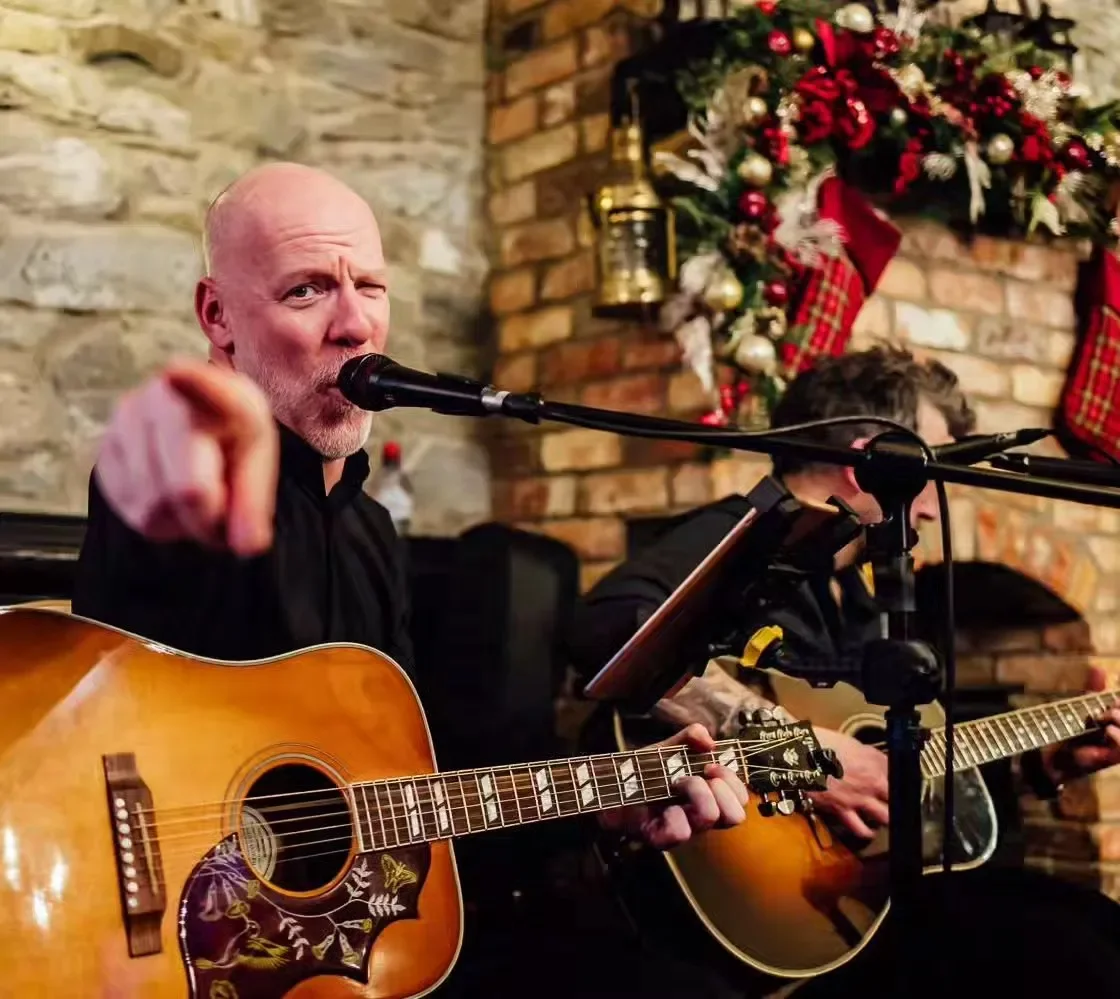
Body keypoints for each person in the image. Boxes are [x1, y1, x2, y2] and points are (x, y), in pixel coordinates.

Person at [69, 161, 750, 995]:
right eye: (308, 292)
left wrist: (602, 806)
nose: (357, 326)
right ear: (218, 316)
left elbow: (408, 796)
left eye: (372, 287)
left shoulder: (369, 529)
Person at [566, 345, 1120, 996]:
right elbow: (606, 629)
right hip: (747, 895)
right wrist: (794, 750)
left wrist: (1042, 765)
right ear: (866, 464)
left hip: (853, 890)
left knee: (1093, 933)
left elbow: (892, 773)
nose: (928, 505)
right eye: (926, 469)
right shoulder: (742, 535)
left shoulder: (863, 590)